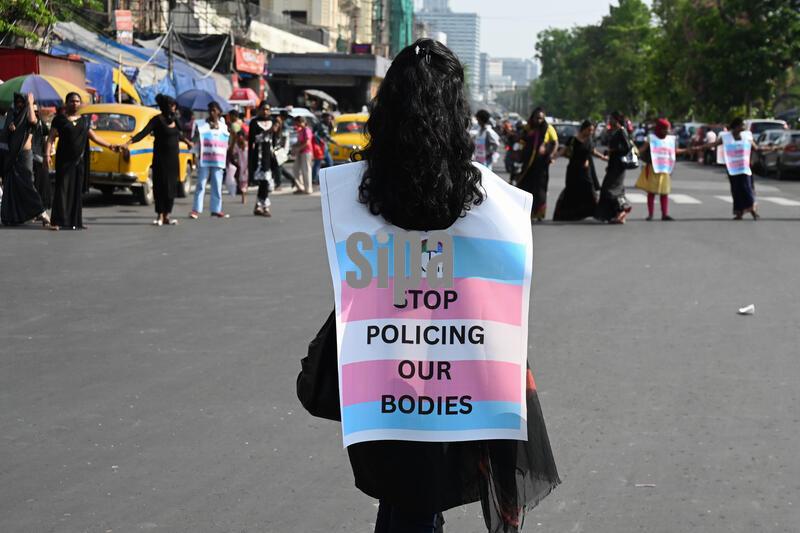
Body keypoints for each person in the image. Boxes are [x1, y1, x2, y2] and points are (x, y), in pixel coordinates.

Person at [309, 39, 559, 533]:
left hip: (384, 352)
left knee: (407, 496)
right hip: (459, 359)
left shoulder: (359, 188)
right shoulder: (488, 197)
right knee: (420, 498)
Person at [46, 91, 117, 230]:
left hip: (79, 161)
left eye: (77, 101)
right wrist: (47, 154)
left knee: (76, 191)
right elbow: (51, 138)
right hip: (64, 161)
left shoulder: (84, 121)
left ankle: (75, 221)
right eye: (72, 101)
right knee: (62, 190)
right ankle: (56, 222)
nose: (75, 103)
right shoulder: (59, 120)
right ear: (66, 103)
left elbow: (94, 137)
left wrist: (110, 145)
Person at [124, 94, 192, 226]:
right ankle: (160, 214)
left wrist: (187, 141)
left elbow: (179, 134)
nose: (174, 108)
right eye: (171, 106)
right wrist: (129, 142)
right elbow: (143, 133)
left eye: (175, 106)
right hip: (161, 158)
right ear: (166, 106)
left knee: (171, 187)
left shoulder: (175, 120)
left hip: (173, 159)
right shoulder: (157, 120)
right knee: (160, 185)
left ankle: (167, 215)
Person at [694, 117, 776, 220]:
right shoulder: (726, 137)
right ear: (736, 127)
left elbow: (756, 148)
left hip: (745, 168)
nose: (743, 127)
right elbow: (714, 144)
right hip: (733, 169)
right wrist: (700, 148)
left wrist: (771, 148)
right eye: (741, 125)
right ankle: (739, 212)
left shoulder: (747, 136)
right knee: (736, 189)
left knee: (747, 188)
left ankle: (753, 210)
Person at [0, 92, 50, 227]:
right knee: (11, 187)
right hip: (11, 156)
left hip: (24, 155)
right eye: (18, 102)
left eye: (22, 102)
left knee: (27, 184)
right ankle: (11, 217)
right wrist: (10, 127)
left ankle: (41, 212)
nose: (19, 104)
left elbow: (33, 121)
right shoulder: (12, 115)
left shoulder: (30, 115)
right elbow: (5, 133)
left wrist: (29, 103)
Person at [552, 120, 607, 221]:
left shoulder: (590, 140)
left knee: (590, 190)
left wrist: (603, 157)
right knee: (572, 191)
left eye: (592, 130)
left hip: (585, 170)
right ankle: (568, 214)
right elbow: (564, 150)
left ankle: (595, 213)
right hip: (573, 170)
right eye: (589, 130)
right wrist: (554, 157)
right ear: (584, 129)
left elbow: (592, 151)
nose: (591, 132)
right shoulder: (573, 139)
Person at [634, 118, 687, 221]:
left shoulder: (670, 139)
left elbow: (675, 151)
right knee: (651, 192)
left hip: (665, 169)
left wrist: (689, 150)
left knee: (664, 192)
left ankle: (664, 214)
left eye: (668, 129)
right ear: (659, 129)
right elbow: (642, 149)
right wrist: (633, 152)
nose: (666, 132)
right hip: (653, 168)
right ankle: (650, 214)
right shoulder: (651, 138)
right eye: (664, 130)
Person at [516, 107, 558, 221]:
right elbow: (521, 140)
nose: (538, 121)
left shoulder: (548, 128)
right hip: (528, 164)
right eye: (536, 118)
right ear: (533, 118)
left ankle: (539, 213)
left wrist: (550, 155)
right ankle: (525, 212)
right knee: (525, 187)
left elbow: (555, 143)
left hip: (541, 164)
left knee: (539, 189)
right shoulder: (528, 128)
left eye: (541, 118)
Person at [190, 101, 230, 219]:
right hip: (205, 159)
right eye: (210, 110)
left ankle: (216, 209)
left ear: (219, 112)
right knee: (201, 184)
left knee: (217, 185)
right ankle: (196, 209)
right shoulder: (201, 125)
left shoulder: (223, 126)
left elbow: (227, 140)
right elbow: (195, 139)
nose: (212, 113)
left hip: (218, 160)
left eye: (214, 110)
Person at [594, 111, 633, 224]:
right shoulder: (615, 132)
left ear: (616, 120)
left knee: (609, 189)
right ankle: (618, 214)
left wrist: (613, 150)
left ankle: (621, 211)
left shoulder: (621, 131)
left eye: (611, 119)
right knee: (615, 189)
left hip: (619, 166)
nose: (609, 121)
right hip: (614, 165)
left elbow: (627, 148)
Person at [248, 102, 275, 217]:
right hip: (258, 156)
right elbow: (251, 140)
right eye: (263, 109)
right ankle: (263, 205)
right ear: (259, 110)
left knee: (266, 181)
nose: (265, 112)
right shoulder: (254, 122)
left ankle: (261, 205)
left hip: (268, 156)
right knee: (263, 182)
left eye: (268, 109)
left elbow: (275, 140)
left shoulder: (272, 122)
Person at [31, 104, 51, 212]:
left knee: (41, 183)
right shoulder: (24, 123)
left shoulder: (41, 124)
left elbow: (47, 138)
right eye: (32, 111)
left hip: (39, 158)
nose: (35, 113)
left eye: (36, 111)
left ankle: (40, 208)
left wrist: (47, 154)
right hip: (28, 157)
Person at [292, 116, 313, 194]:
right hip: (300, 152)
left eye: (297, 122)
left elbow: (307, 143)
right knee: (295, 169)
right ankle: (300, 187)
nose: (296, 124)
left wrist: (298, 148)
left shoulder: (307, 130)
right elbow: (299, 141)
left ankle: (308, 189)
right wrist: (294, 146)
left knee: (306, 170)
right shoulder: (300, 130)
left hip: (306, 152)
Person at [227, 130, 249, 205]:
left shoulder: (247, 145)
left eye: (241, 136)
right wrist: (233, 140)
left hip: (246, 165)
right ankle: (243, 194)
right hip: (239, 166)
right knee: (241, 182)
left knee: (244, 182)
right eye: (238, 136)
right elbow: (231, 152)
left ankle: (244, 196)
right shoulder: (236, 146)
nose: (240, 138)